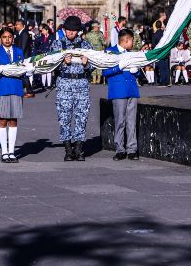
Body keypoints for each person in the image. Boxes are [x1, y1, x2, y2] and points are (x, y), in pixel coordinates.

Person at [50, 16, 93, 161]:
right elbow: (51, 65)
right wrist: (63, 63)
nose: (70, 32)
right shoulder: (58, 45)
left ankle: (79, 149)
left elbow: (93, 67)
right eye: (68, 29)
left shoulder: (86, 46)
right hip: (64, 83)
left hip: (81, 84)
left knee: (82, 116)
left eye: (73, 30)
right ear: (64, 30)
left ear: (78, 31)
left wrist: (87, 64)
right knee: (64, 117)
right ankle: (68, 149)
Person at [0, 26, 28, 163]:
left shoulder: (18, 51)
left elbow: (23, 69)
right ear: (0, 38)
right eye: (4, 37)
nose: (7, 39)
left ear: (13, 38)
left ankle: (12, 152)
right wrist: (0, 69)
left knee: (13, 120)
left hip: (16, 88)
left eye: (9, 37)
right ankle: (4, 152)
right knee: (2, 120)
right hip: (1, 88)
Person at [102, 28, 141, 161]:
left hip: (132, 90)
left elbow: (138, 73)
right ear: (126, 40)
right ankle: (120, 149)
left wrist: (136, 71)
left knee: (131, 122)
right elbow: (105, 72)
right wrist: (119, 67)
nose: (133, 43)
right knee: (120, 121)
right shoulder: (109, 52)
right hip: (118, 91)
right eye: (132, 41)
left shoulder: (131, 53)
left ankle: (132, 149)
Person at [14, 19, 35, 98]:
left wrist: (19, 57)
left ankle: (30, 91)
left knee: (24, 74)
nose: (15, 26)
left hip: (24, 57)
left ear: (21, 25)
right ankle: (23, 90)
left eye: (17, 24)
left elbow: (23, 47)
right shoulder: (20, 33)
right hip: (21, 56)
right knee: (21, 74)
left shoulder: (24, 33)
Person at [34, 23, 55, 88]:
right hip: (42, 55)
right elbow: (36, 43)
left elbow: (53, 45)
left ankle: (48, 84)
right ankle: (43, 84)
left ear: (47, 30)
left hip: (49, 55)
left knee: (48, 70)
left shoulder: (52, 37)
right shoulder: (41, 37)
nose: (42, 32)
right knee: (43, 70)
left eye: (43, 30)